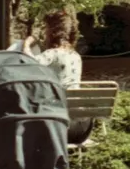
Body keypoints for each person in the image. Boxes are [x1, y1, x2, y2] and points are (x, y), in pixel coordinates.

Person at [25, 11, 92, 145]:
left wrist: (26, 44)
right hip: (81, 130)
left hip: (58, 128)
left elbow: (28, 63)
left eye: (46, 28)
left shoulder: (52, 54)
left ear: (51, 32)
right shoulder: (75, 56)